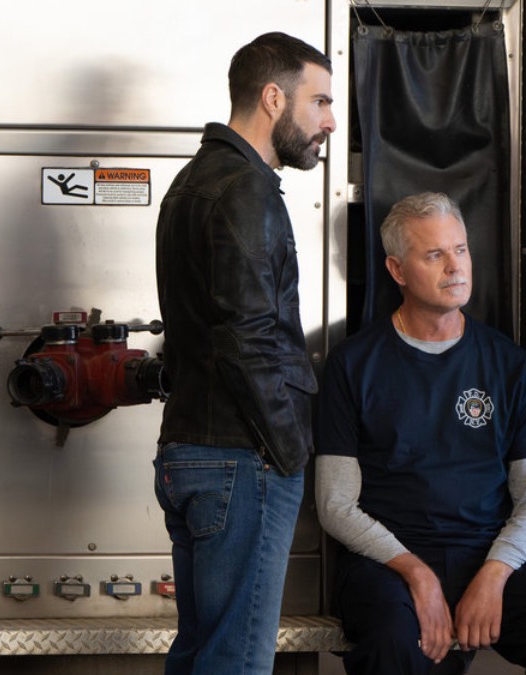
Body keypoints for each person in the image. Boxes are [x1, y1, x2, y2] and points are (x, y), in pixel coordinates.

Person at [316, 192, 526, 675]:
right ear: (398, 270)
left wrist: (494, 574)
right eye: (435, 255)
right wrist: (417, 574)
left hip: (485, 552)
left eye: (461, 250)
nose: (455, 267)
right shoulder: (353, 365)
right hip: (386, 562)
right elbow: (335, 505)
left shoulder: (507, 363)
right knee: (392, 647)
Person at [152, 32, 335, 675]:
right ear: (273, 97)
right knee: (236, 661)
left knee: (202, 652)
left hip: (191, 454)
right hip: (242, 459)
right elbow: (247, 338)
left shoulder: (192, 182)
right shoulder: (245, 190)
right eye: (319, 103)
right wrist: (288, 452)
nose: (329, 122)